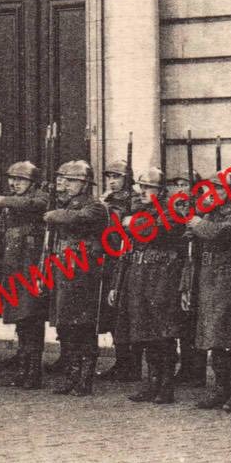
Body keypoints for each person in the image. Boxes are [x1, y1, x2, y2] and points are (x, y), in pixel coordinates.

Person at [184, 177, 231, 412]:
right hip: (209, 280)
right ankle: (220, 389)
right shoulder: (210, 214)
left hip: (230, 281)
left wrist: (196, 224)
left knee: (230, 339)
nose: (212, 194)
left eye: (218, 189)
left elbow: (220, 233)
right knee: (213, 338)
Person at [119, 166, 188, 405]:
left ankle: (166, 385)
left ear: (160, 190)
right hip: (141, 272)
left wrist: (132, 223)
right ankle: (152, 382)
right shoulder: (142, 209)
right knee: (144, 329)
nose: (143, 191)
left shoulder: (172, 210)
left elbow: (154, 230)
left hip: (163, 275)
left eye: (149, 187)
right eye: (142, 186)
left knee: (163, 330)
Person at [42, 159, 106, 396]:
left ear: (85, 184)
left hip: (83, 272)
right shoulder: (64, 204)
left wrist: (54, 214)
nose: (67, 185)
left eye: (73, 181)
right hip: (63, 268)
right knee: (66, 326)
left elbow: (79, 218)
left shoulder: (95, 206)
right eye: (66, 181)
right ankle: (71, 375)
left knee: (83, 326)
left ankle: (84, 380)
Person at [0, 160, 50, 389]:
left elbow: (36, 204)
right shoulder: (12, 201)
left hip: (31, 268)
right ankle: (24, 369)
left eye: (20, 180)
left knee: (31, 320)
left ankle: (33, 372)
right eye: (12, 179)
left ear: (31, 182)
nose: (14, 184)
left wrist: (4, 201)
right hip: (14, 267)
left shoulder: (40, 197)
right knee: (22, 321)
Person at [96, 158, 142, 383]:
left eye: (117, 177)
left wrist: (108, 212)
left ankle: (131, 364)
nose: (112, 181)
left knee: (126, 314)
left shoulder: (135, 201)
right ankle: (122, 361)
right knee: (113, 314)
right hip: (110, 261)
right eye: (109, 177)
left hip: (127, 260)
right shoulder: (107, 200)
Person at [169, 166, 209, 388]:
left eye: (185, 184)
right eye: (178, 184)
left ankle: (197, 370)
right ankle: (185, 367)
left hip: (196, 266)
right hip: (179, 267)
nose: (180, 188)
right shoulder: (175, 208)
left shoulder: (202, 208)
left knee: (193, 320)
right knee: (182, 321)